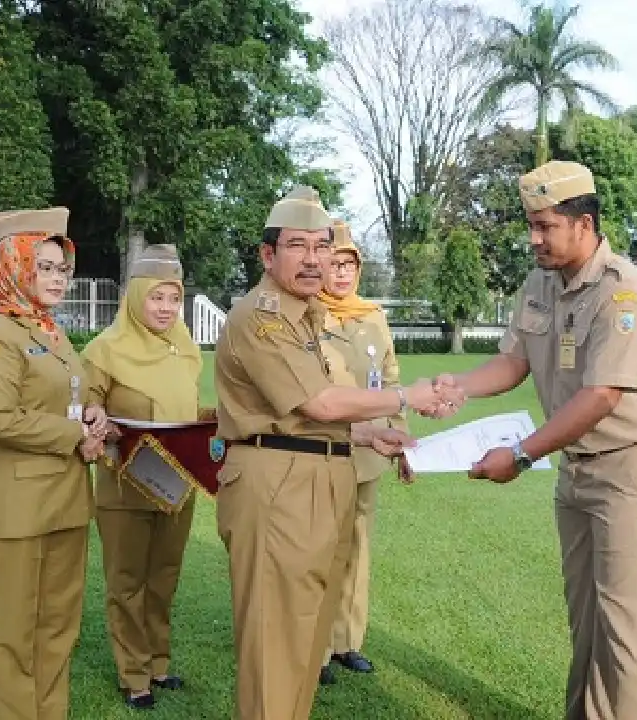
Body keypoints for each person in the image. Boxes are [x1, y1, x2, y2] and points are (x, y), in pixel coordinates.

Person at [438, 160, 637, 719]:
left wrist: (521, 457)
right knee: (586, 615)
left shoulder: (624, 290)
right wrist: (459, 388)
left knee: (623, 625)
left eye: (545, 225)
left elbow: (601, 396)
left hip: (630, 467)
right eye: (531, 224)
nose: (534, 238)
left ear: (584, 222)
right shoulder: (540, 282)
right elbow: (512, 361)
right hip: (576, 467)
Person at [213, 186, 456, 720]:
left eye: (323, 247)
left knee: (305, 643)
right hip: (276, 485)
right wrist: (405, 397)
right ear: (268, 254)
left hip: (317, 475)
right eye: (298, 246)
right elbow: (318, 403)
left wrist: (369, 435)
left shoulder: (308, 315)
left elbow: (312, 415)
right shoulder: (262, 316)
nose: (314, 259)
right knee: (275, 649)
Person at [0, 207, 109, 720]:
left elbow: (73, 392)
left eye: (60, 269)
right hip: (18, 509)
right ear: (13, 267)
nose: (56, 279)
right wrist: (75, 435)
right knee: (12, 633)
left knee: (57, 626)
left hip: (66, 503)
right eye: (43, 267)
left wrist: (93, 410)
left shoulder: (50, 333)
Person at [81, 244, 206, 710]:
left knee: (165, 576)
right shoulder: (104, 350)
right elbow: (86, 408)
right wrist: (96, 418)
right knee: (127, 579)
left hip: (177, 483)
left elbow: (188, 409)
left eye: (173, 299)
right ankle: (133, 674)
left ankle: (158, 662)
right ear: (136, 297)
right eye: (156, 298)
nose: (166, 309)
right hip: (125, 485)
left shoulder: (185, 346)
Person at [315, 220, 410, 685]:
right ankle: (312, 650)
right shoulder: (309, 314)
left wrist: (401, 439)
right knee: (321, 551)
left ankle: (345, 642)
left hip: (370, 452)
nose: (342, 273)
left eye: (350, 264)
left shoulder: (372, 316)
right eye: (334, 264)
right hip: (326, 448)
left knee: (357, 548)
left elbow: (390, 381)